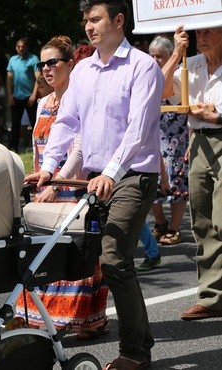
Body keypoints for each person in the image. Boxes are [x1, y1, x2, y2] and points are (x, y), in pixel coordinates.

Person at [25, 1, 163, 368]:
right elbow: (67, 123)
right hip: (94, 177)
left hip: (133, 174)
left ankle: (135, 354)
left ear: (119, 20)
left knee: (115, 259)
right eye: (85, 20)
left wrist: (111, 173)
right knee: (84, 256)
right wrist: (49, 169)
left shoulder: (143, 66)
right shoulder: (83, 70)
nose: (88, 26)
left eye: (96, 18)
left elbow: (139, 129)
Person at [15, 35, 111, 340]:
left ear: (71, 65)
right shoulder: (43, 102)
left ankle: (84, 319)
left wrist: (57, 182)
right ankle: (45, 317)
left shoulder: (82, 100)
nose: (46, 68)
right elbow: (39, 148)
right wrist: (40, 178)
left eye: (53, 62)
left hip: (73, 188)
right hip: (48, 189)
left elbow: (79, 149)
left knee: (75, 256)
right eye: (42, 64)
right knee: (44, 256)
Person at [161, 25, 222, 321]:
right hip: (199, 142)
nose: (201, 37)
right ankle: (212, 298)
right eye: (200, 32)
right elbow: (159, 90)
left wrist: (218, 117)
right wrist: (176, 52)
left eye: (209, 31)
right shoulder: (191, 62)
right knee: (203, 221)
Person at [147, 36, 190, 247]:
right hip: (154, 137)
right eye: (152, 56)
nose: (155, 60)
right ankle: (160, 222)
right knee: (151, 182)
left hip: (177, 138)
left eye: (160, 56)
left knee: (177, 183)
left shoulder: (180, 74)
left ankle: (174, 228)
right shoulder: (146, 75)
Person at [6, 37, 40, 152]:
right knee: (15, 124)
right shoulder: (12, 60)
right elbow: (9, 78)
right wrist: (9, 95)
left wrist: (34, 95)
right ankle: (13, 148)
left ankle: (38, 146)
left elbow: (38, 78)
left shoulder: (33, 59)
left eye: (23, 46)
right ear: (16, 48)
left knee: (34, 122)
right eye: (18, 46)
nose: (21, 48)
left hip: (29, 96)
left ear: (27, 47)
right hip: (16, 97)